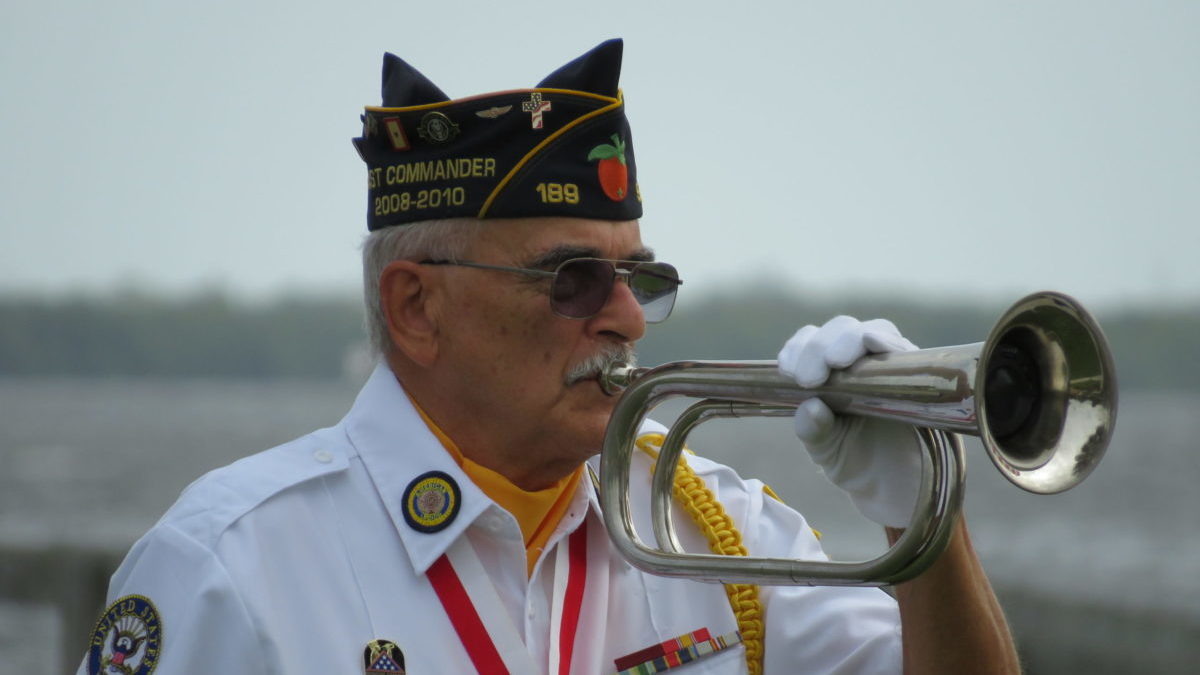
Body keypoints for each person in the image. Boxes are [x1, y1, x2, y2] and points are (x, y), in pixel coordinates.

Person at [78, 40, 1018, 675]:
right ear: (417, 307)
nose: (627, 321)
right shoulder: (230, 565)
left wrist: (924, 522)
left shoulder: (715, 532)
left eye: (638, 278)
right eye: (571, 280)